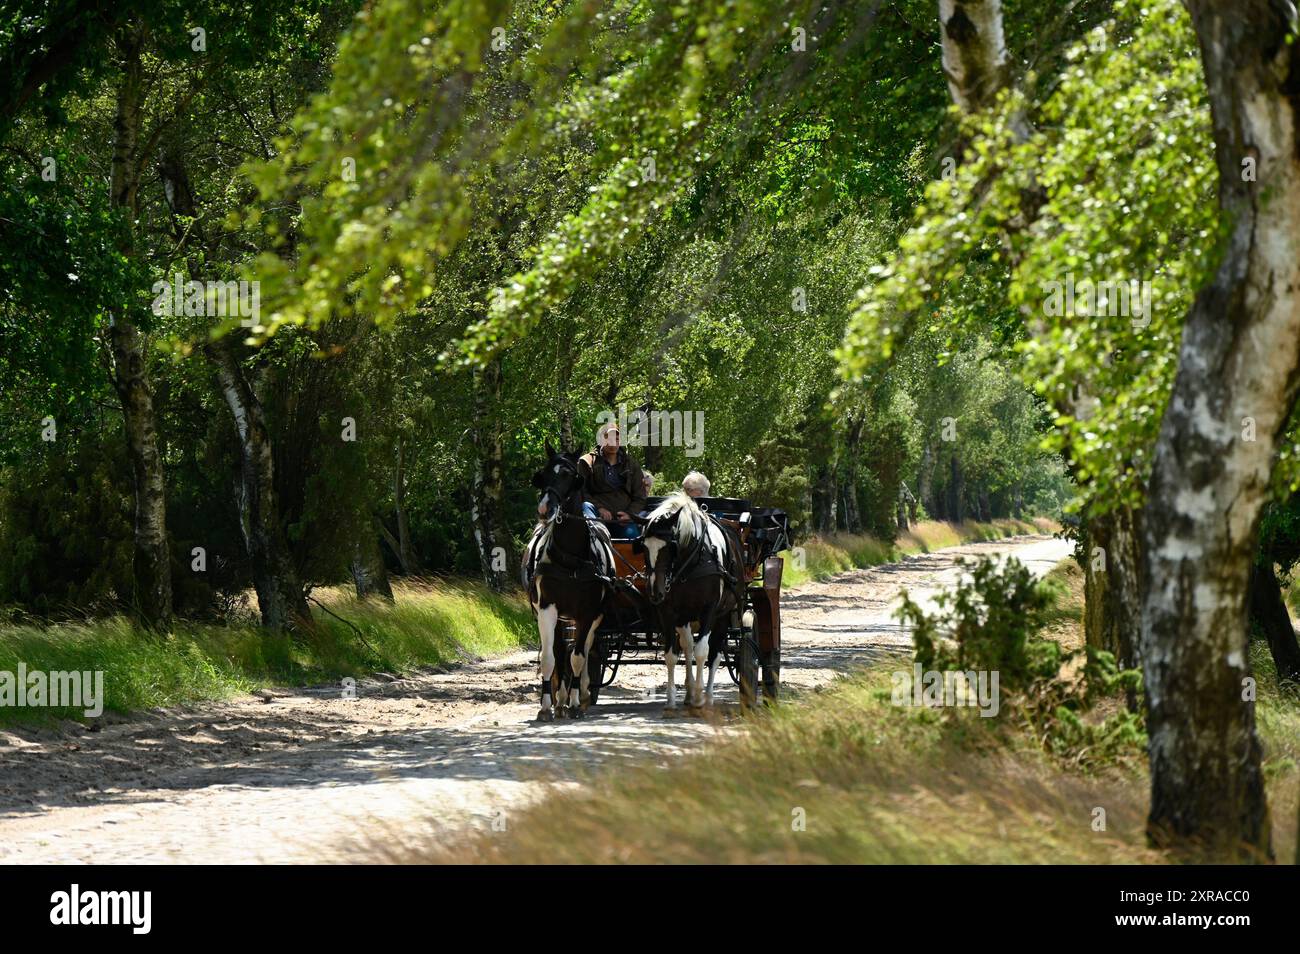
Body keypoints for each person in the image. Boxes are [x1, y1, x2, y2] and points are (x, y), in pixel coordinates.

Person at [577, 423, 647, 539]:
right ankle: (594, 540)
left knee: (633, 540)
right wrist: (600, 508)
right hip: (597, 516)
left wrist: (629, 514)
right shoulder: (587, 462)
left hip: (623, 519)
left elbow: (640, 496)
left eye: (616, 438)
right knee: (586, 506)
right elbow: (582, 491)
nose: (613, 442)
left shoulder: (631, 464)